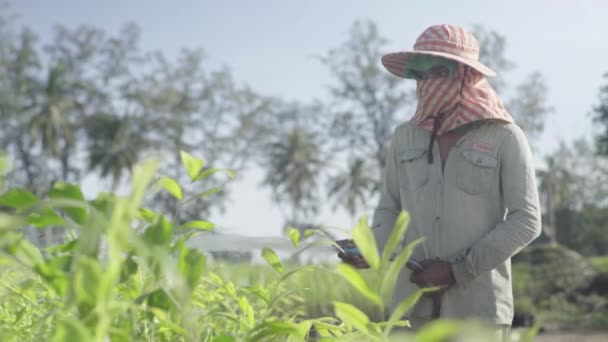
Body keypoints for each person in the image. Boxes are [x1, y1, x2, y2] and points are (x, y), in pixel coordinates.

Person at [338, 24, 542, 338]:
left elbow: (526, 220)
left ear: (463, 74)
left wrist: (457, 270)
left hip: (478, 311)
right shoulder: (404, 136)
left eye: (436, 72)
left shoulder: (504, 137)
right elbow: (389, 207)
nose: (426, 84)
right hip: (412, 309)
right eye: (419, 75)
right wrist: (371, 249)